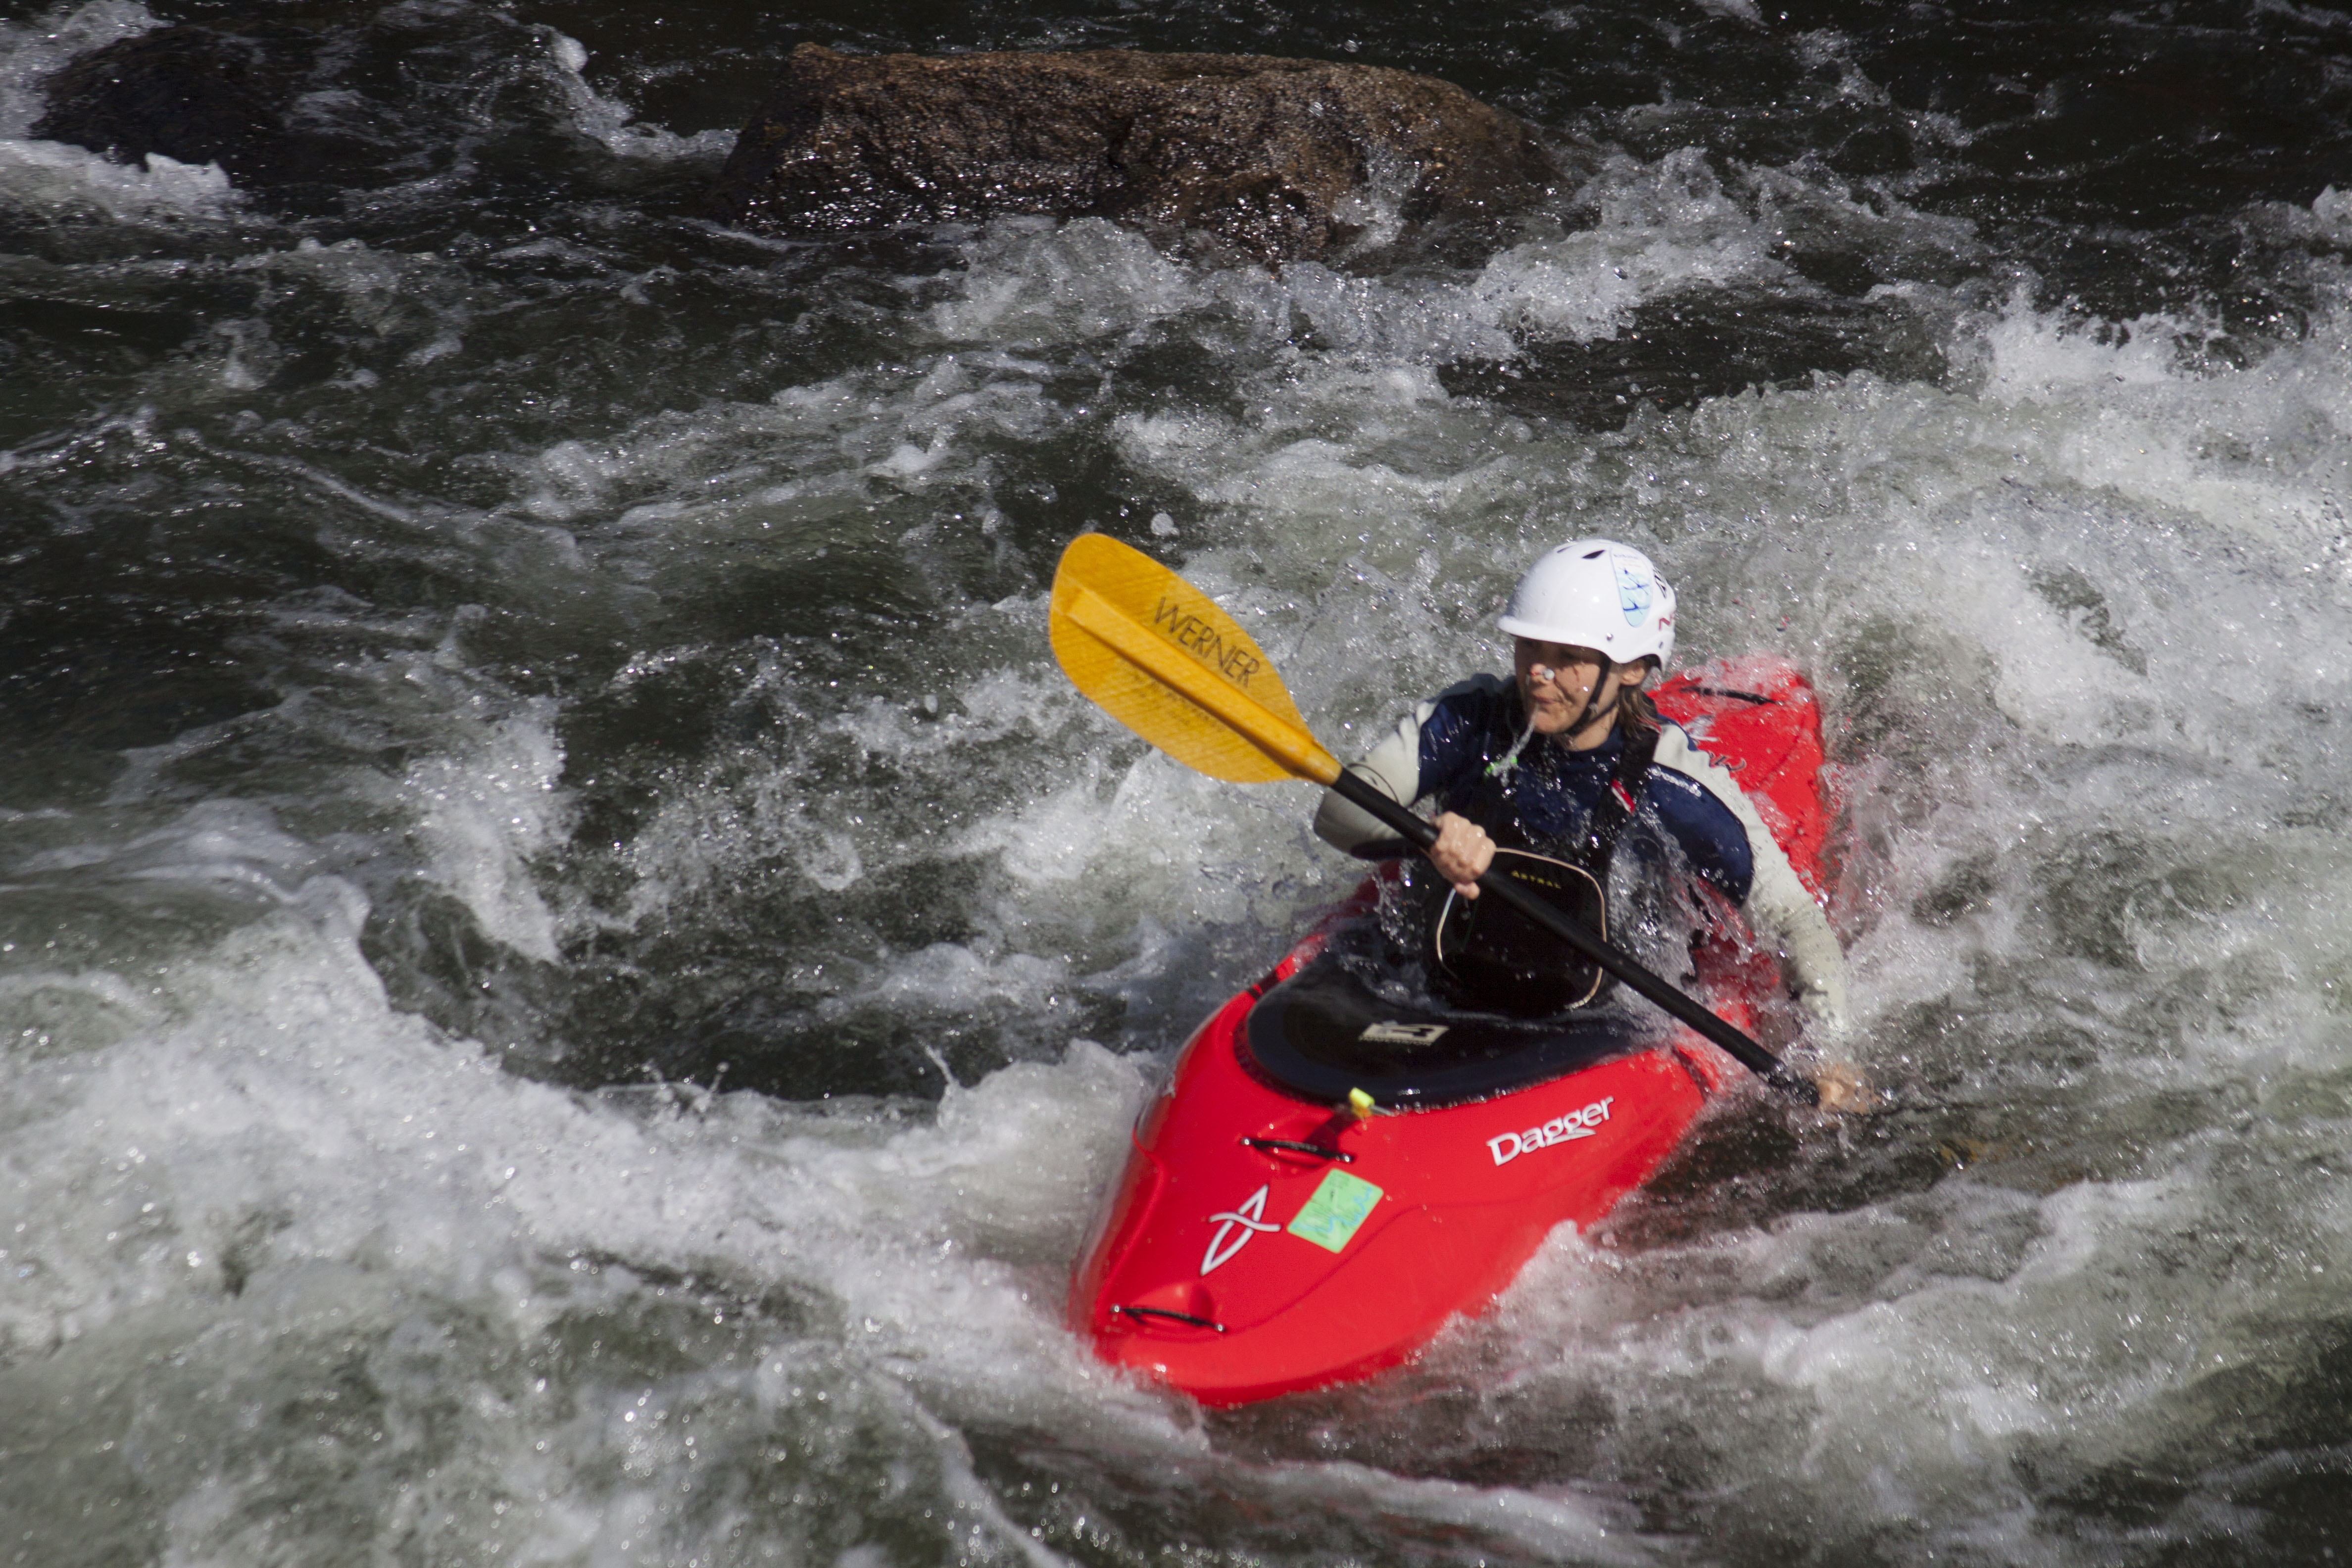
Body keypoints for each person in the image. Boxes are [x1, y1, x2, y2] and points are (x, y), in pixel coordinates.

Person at [1312, 538, 1865, 1107]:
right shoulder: (1469, 721)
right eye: (1529, 646)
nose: (1538, 673)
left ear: (1632, 669)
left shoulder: (1670, 780)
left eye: (1567, 657)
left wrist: (1832, 1053)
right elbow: (1337, 816)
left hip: (1591, 1021)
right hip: (1439, 981)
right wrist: (1428, 839)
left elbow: (1795, 918)